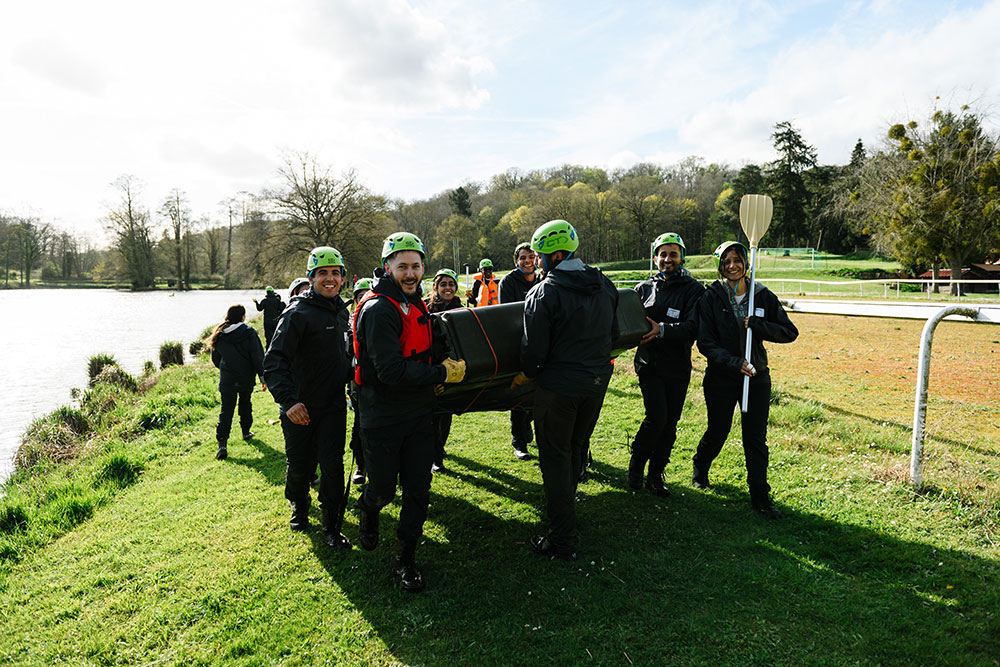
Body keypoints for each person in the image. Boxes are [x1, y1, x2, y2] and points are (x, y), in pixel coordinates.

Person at [353, 232, 466, 592]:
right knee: (384, 490)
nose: (410, 273)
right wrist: (439, 373)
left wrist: (445, 362)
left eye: (416, 266)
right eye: (402, 266)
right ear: (387, 268)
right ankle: (369, 508)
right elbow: (390, 371)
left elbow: (424, 349)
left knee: (418, 488)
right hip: (382, 415)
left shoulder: (417, 303)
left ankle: (406, 558)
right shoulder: (379, 309)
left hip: (419, 413)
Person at [513, 219, 618, 561]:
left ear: (556, 254)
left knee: (555, 458)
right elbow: (613, 334)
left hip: (559, 387)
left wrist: (530, 374)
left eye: (541, 256)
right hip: (597, 382)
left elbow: (533, 352)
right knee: (576, 447)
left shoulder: (544, 292)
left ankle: (562, 540)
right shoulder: (604, 283)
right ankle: (566, 517)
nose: (538, 262)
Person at [692, 241, 798, 519]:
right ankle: (700, 467)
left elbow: (789, 332)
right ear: (719, 266)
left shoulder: (761, 294)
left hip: (756, 375)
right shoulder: (711, 297)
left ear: (746, 262)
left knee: (755, 438)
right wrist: (734, 362)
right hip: (722, 377)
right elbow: (705, 343)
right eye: (726, 261)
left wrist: (759, 325)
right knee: (719, 430)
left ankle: (760, 496)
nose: (732, 266)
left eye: (737, 260)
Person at [263, 247, 352, 549]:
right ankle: (299, 506)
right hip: (299, 408)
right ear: (312, 277)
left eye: (335, 273)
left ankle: (331, 525)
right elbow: (273, 362)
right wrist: (288, 402)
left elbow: (346, 357)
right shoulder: (296, 313)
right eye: (323, 273)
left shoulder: (343, 311)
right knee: (300, 465)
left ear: (342, 278)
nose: (330, 279)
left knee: (332, 465)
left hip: (333, 407)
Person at [627, 233, 705, 496]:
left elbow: (693, 327)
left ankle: (656, 474)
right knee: (656, 417)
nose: (667, 259)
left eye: (673, 254)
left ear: (682, 257)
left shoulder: (694, 290)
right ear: (655, 257)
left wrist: (662, 330)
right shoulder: (643, 288)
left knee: (670, 422)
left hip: (677, 366)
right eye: (663, 254)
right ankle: (636, 465)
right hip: (649, 364)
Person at [208, 304, 265, 461]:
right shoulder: (249, 333)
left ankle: (222, 445)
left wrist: (226, 368)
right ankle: (246, 432)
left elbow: (215, 359)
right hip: (245, 377)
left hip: (227, 378)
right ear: (242, 317)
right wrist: (263, 377)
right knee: (245, 403)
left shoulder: (219, 334)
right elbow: (258, 357)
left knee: (226, 410)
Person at [499, 242, 539, 461]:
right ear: (516, 261)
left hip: (541, 342)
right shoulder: (508, 282)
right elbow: (508, 314)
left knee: (540, 393)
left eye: (531, 257)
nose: (528, 261)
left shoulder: (543, 278)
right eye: (523, 258)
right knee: (520, 394)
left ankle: (528, 426)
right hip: (519, 342)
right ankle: (519, 442)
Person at [425, 268, 464, 473]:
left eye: (451, 284)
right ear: (435, 287)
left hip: (452, 370)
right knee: (430, 416)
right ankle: (431, 454)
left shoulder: (461, 308)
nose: (447, 288)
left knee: (445, 416)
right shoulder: (424, 308)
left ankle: (438, 454)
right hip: (429, 369)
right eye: (443, 284)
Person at [347, 277, 373, 485]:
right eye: (359, 296)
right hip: (358, 384)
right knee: (360, 426)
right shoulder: (348, 322)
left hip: (380, 383)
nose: (363, 299)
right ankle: (360, 466)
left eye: (367, 295)